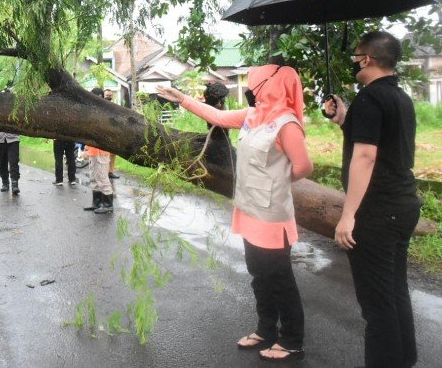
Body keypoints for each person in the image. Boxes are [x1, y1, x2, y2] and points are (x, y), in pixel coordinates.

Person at [157, 64, 313, 362]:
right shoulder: (254, 115)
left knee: (280, 279)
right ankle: (266, 330)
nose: (250, 85)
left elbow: (304, 166)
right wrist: (182, 99)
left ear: (271, 84)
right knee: (259, 275)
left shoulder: (287, 124)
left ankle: (292, 340)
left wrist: (276, 180)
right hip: (248, 209)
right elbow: (217, 117)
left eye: (255, 80)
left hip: (271, 215)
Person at [323, 31, 421, 368]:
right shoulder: (399, 97)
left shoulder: (369, 99)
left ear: (366, 59)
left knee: (377, 305)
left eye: (355, 55)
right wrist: (342, 120)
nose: (353, 60)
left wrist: (348, 214)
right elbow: (377, 140)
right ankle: (403, 359)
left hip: (377, 212)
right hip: (404, 204)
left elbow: (365, 157)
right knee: (394, 292)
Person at [83, 87, 115, 214]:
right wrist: (86, 149)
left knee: (102, 178)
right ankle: (96, 203)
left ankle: (108, 205)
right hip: (93, 151)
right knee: (94, 178)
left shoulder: (104, 112)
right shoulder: (93, 111)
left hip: (101, 152)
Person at [103, 88, 120, 180]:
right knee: (104, 153)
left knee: (113, 153)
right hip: (104, 133)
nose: (108, 97)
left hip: (113, 133)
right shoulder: (101, 106)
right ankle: (103, 171)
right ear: (103, 96)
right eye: (107, 96)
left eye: (110, 96)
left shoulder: (114, 106)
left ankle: (110, 171)